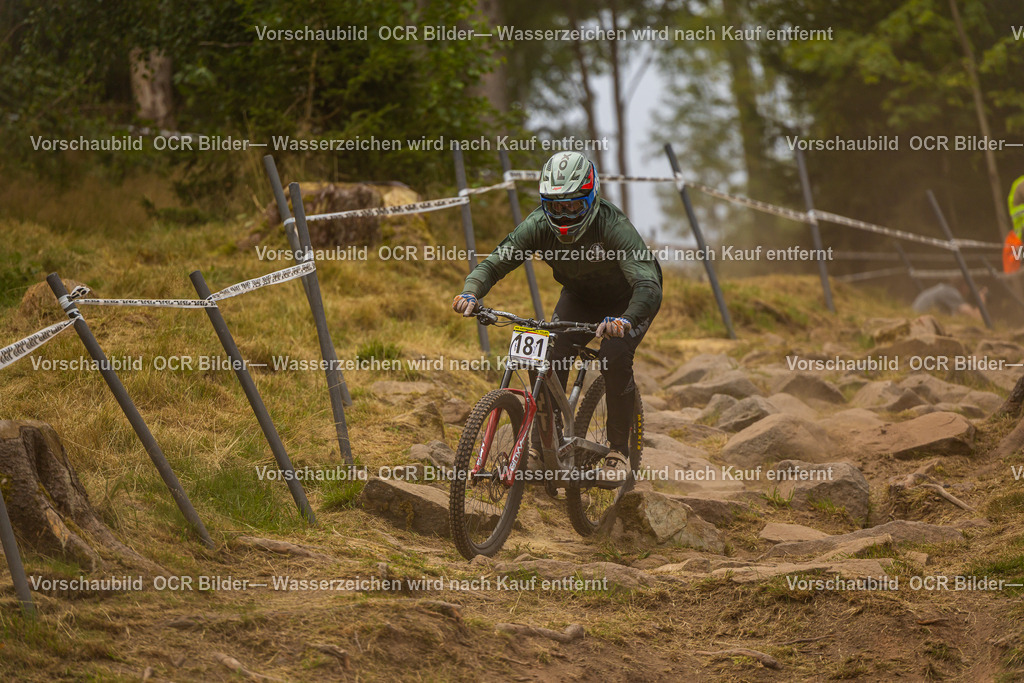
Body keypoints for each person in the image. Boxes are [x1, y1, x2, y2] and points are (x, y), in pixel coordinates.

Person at [451, 151, 662, 475]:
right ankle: (546, 445)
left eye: (572, 205)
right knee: (548, 357)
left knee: (613, 357)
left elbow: (647, 285)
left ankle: (619, 452)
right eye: (555, 206)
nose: (563, 214)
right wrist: (471, 291)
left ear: (590, 198)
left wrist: (626, 319)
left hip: (629, 299)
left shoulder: (612, 225)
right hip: (579, 296)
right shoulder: (538, 225)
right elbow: (496, 261)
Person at [912, 280, 986, 320]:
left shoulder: (945, 290)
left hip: (917, 317)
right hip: (920, 320)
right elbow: (975, 318)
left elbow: (958, 317)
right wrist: (981, 302)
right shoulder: (952, 293)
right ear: (964, 286)